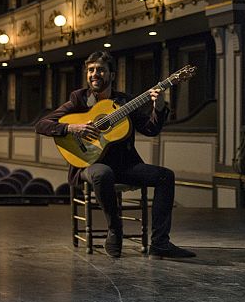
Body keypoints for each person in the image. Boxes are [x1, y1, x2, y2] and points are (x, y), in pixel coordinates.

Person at [35, 50, 195, 259]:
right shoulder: (78, 99)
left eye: (100, 70)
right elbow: (42, 124)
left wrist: (159, 107)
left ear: (111, 75)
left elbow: (150, 130)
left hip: (125, 165)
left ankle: (160, 243)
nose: (95, 74)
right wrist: (73, 128)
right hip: (88, 164)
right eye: (91, 70)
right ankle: (114, 228)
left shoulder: (125, 102)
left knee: (166, 175)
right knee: (103, 173)